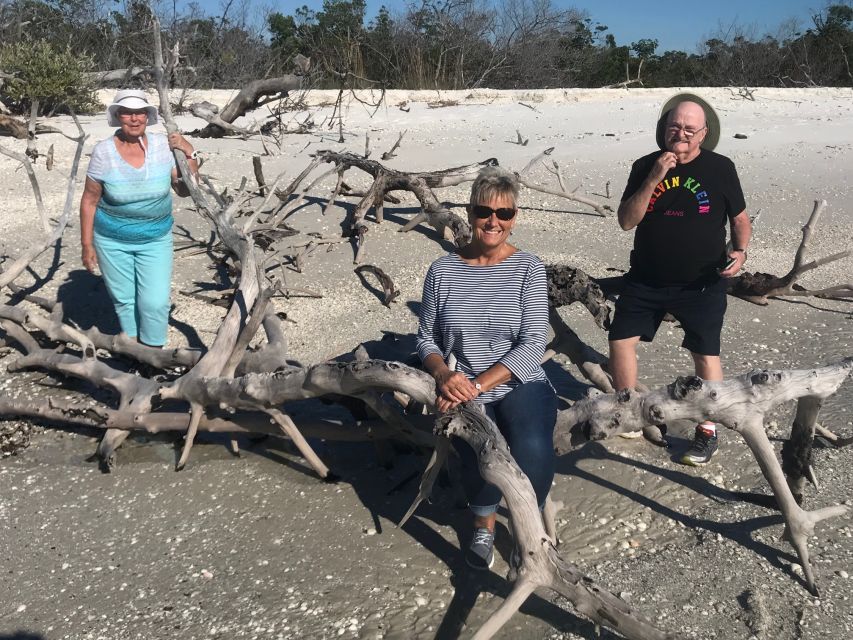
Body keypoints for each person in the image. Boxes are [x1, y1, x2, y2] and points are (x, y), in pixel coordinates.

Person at [416, 167, 557, 570]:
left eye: (505, 214)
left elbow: (533, 344)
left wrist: (475, 386)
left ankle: (528, 528)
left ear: (514, 218)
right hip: (459, 383)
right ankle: (484, 523)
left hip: (518, 382)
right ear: (470, 212)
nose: (494, 221)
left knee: (530, 448)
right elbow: (426, 339)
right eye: (484, 211)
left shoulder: (528, 267)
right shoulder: (442, 271)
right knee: (478, 447)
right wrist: (444, 376)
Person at [609, 93, 752, 466]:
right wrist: (657, 174)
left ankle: (707, 431)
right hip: (646, 279)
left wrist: (741, 252)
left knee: (705, 355)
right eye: (675, 127)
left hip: (701, 284)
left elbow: (739, 219)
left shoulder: (721, 168)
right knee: (621, 341)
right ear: (664, 128)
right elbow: (627, 221)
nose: (682, 134)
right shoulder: (644, 165)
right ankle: (628, 412)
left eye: (690, 129)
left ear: (704, 133)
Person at [79, 89, 198, 348]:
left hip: (155, 238)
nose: (134, 119)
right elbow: (89, 199)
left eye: (139, 113)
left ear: (148, 116)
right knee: (124, 299)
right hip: (111, 240)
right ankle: (133, 349)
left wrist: (190, 153)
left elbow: (186, 189)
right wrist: (87, 245)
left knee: (154, 301)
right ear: (117, 116)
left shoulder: (164, 146)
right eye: (127, 113)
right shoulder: (103, 152)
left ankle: (153, 353)